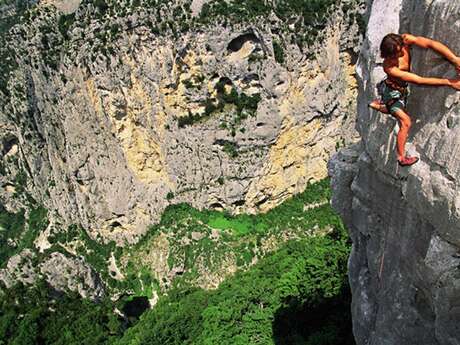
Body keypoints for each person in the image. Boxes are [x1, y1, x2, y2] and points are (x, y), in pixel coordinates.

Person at [369, 33, 460, 166]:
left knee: (393, 109)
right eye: (396, 54)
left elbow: (430, 44)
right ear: (388, 55)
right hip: (393, 94)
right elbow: (419, 80)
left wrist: (454, 59)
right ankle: (401, 158)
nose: (401, 55)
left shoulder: (404, 40)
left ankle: (380, 106)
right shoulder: (389, 67)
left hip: (402, 90)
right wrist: (449, 82)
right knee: (405, 121)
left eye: (401, 50)